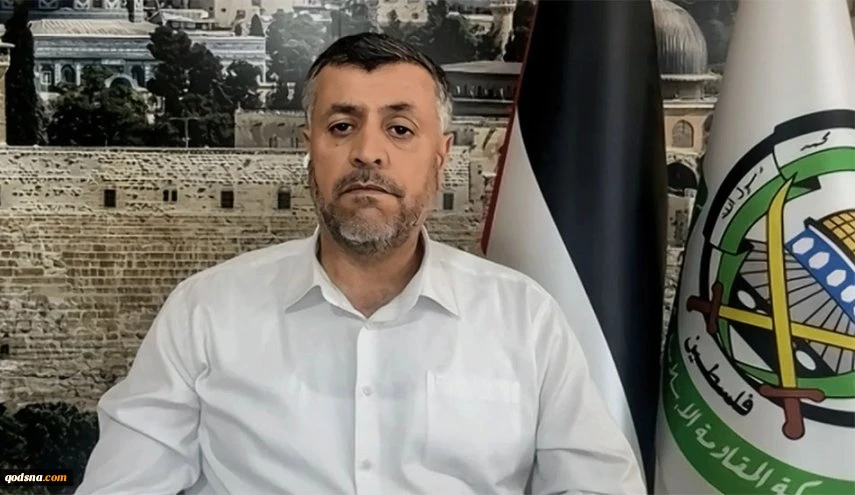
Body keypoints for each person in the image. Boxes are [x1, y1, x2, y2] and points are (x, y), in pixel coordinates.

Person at [75, 32, 645, 495]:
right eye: (342, 126)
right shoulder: (205, 313)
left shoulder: (525, 319)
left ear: (442, 156)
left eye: (400, 129)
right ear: (309, 148)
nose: (368, 152)